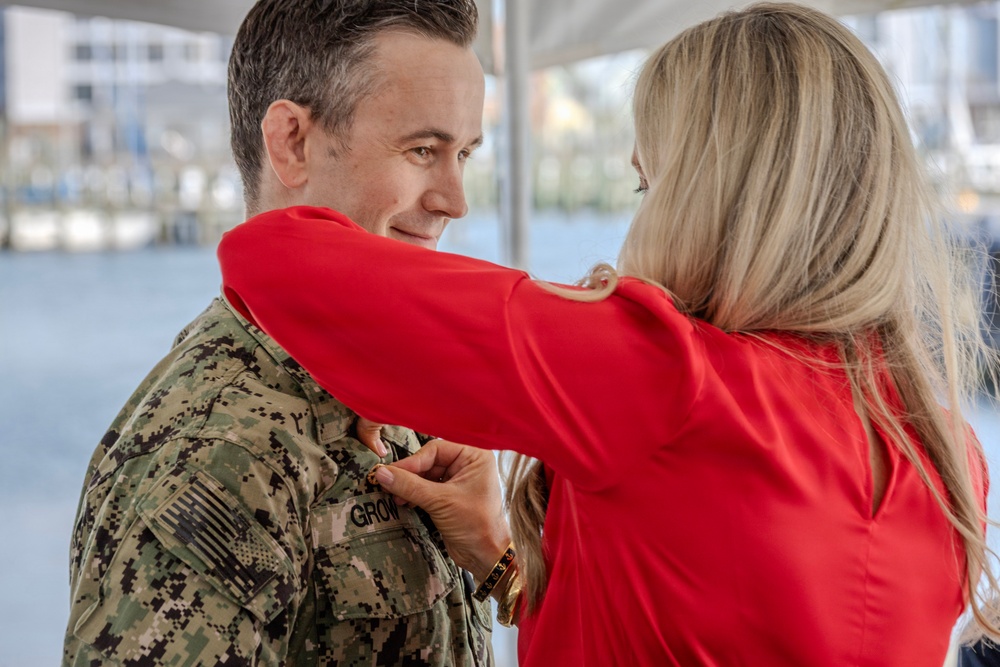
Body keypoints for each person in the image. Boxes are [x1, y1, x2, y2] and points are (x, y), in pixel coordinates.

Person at [217, 3, 1000, 665]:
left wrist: (578, 313)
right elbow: (697, 619)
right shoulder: (944, 452)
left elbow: (272, 255)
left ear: (709, 192)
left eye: (648, 179)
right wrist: (502, 563)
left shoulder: (661, 376)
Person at [62, 0, 493, 665]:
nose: (455, 199)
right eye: (423, 150)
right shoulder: (210, 455)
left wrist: (500, 562)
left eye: (463, 153)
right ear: (291, 142)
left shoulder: (388, 394)